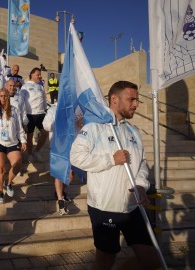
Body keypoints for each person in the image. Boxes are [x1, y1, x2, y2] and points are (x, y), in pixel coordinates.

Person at [70, 81, 161, 270]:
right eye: (131, 99)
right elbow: (76, 157)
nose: (136, 104)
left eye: (137, 100)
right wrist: (111, 159)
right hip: (105, 208)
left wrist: (141, 185)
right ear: (114, 99)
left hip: (133, 207)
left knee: (151, 261)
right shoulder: (94, 128)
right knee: (105, 262)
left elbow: (142, 163)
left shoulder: (133, 132)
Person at [0, 88, 27, 204]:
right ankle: (0, 192)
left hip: (12, 142)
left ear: (9, 97)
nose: (3, 98)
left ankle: (8, 183)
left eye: (6, 96)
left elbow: (19, 127)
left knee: (18, 163)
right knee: (0, 169)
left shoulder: (14, 110)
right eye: (1, 96)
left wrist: (23, 140)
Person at [43, 104, 73, 215]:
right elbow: (45, 125)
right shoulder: (53, 109)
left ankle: (59, 191)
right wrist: (59, 124)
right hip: (57, 145)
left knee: (71, 173)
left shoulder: (73, 108)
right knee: (59, 173)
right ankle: (60, 200)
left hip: (71, 144)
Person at [20, 67, 48, 163]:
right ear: (32, 75)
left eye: (40, 75)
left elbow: (44, 100)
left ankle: (37, 151)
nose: (40, 76)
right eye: (38, 74)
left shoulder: (40, 87)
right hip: (30, 115)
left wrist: (46, 110)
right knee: (29, 137)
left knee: (45, 133)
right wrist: (24, 117)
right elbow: (22, 102)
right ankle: (30, 154)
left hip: (41, 114)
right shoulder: (25, 86)